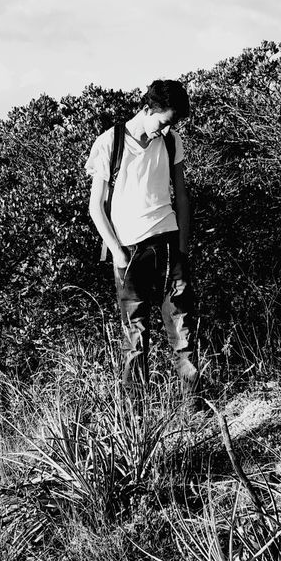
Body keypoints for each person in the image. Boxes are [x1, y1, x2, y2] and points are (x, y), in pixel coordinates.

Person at [85, 79, 200, 406]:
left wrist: (182, 249)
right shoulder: (110, 143)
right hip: (130, 252)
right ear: (148, 109)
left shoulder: (171, 140)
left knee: (182, 331)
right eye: (163, 122)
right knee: (136, 338)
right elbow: (95, 207)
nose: (165, 130)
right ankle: (137, 417)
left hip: (168, 245)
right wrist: (118, 253)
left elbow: (182, 197)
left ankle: (193, 408)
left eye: (171, 125)